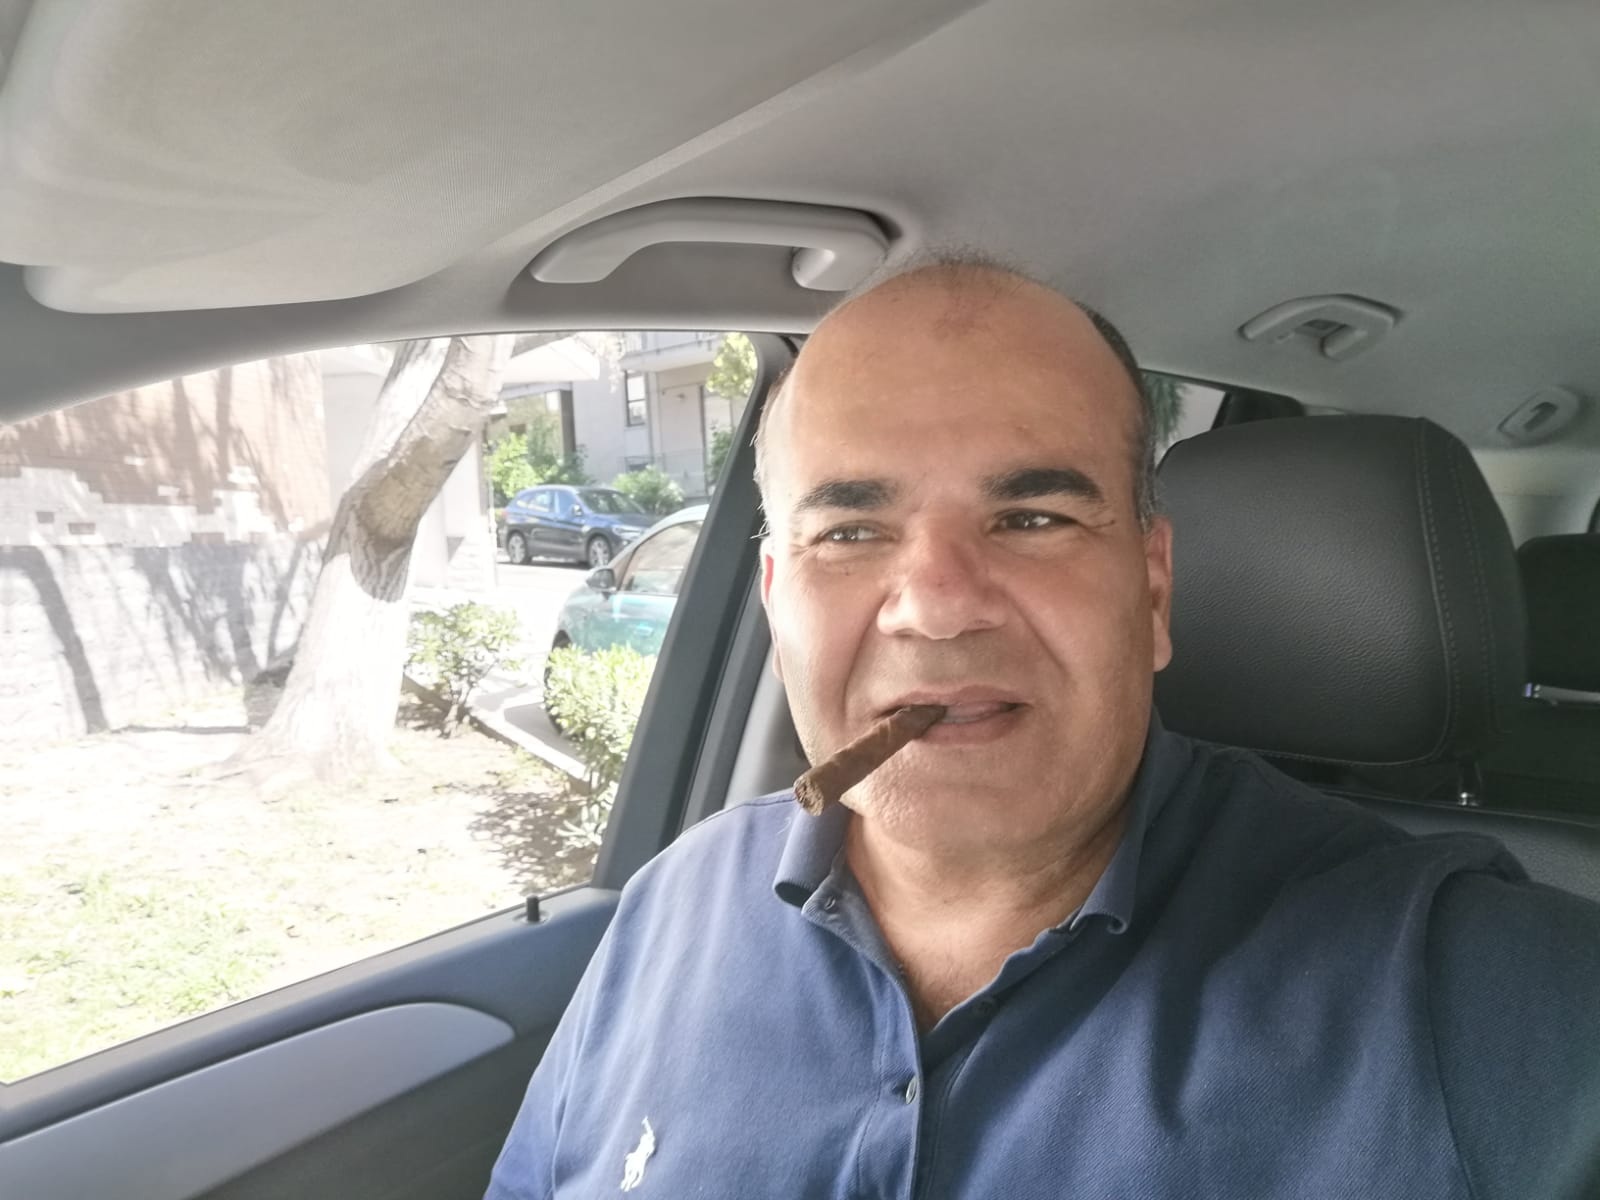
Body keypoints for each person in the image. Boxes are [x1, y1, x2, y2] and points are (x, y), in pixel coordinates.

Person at [487, 257, 1600, 1198]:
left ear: (1152, 589)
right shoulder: (668, 911)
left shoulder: (1482, 995)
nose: (936, 607)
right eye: (849, 533)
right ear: (778, 603)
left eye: (1031, 517)